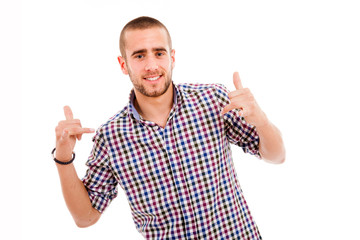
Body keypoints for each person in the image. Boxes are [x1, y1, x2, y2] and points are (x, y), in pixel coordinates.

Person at [54, 16, 285, 239]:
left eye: (159, 53)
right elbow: (85, 218)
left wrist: (261, 120)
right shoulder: (111, 137)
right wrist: (64, 156)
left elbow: (276, 156)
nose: (151, 65)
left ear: (172, 57)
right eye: (139, 55)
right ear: (123, 64)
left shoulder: (213, 100)